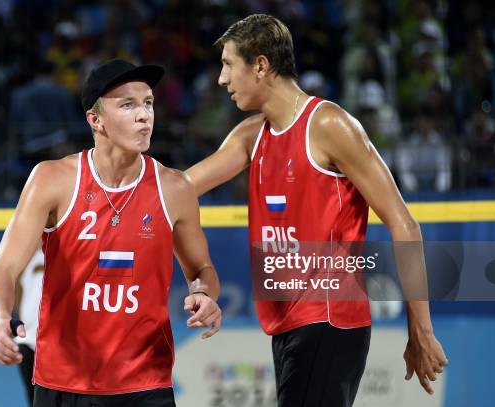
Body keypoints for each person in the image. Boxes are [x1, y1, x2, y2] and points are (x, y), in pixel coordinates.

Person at [185, 14, 448, 407]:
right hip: (287, 325)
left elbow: (404, 224)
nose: (222, 79)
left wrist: (421, 329)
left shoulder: (328, 124)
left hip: (329, 318)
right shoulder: (251, 135)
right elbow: (178, 188)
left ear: (260, 65)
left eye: (227, 64)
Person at [0, 59, 222, 407]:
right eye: (128, 105)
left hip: (146, 382)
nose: (144, 115)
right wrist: (0, 320)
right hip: (65, 382)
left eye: (148, 103)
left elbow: (201, 270)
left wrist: (205, 294)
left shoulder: (174, 187)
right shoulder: (53, 179)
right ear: (95, 120)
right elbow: (3, 269)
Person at [14, 247, 45, 406]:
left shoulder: (65, 255)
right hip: (27, 340)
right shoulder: (25, 259)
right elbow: (17, 289)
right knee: (32, 397)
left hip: (52, 341)